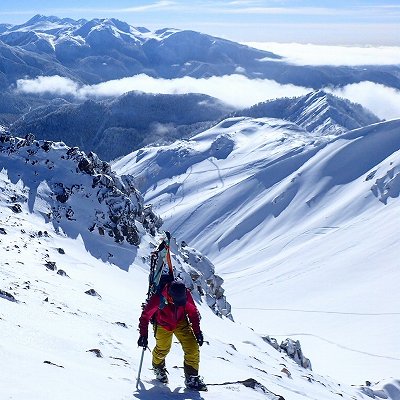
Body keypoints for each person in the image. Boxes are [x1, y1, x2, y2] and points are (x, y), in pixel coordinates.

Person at [138, 280, 207, 391]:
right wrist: (143, 335)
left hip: (181, 321)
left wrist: (197, 332)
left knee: (193, 348)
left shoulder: (186, 295)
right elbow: (145, 316)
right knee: (162, 349)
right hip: (162, 323)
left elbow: (193, 313)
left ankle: (192, 378)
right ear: (170, 296)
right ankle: (158, 367)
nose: (180, 303)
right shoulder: (158, 298)